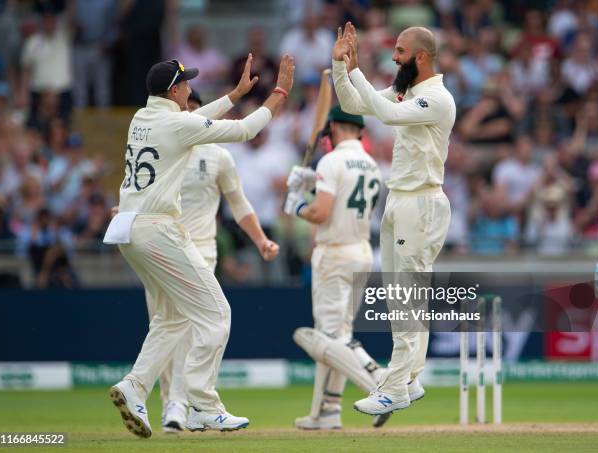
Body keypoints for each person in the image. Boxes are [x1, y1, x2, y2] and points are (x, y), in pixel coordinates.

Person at [103, 53, 294, 438]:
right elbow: (244, 132)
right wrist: (279, 94)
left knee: (173, 318)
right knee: (217, 314)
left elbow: (189, 120)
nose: (190, 87)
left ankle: (135, 386)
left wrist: (236, 93)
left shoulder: (143, 118)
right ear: (174, 90)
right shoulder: (175, 124)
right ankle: (203, 405)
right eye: (186, 83)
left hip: (128, 230)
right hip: (159, 230)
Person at [332, 23, 456, 415]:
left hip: (421, 204)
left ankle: (396, 389)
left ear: (421, 56)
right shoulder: (409, 90)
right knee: (399, 298)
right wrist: (341, 65)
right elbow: (354, 105)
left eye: (400, 51)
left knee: (408, 299)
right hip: (400, 201)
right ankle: (410, 377)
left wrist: (356, 70)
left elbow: (384, 113)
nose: (394, 57)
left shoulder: (437, 98)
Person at [153, 91, 279, 432]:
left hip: (201, 252)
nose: (191, 116)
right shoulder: (164, 150)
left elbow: (239, 205)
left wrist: (261, 240)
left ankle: (185, 405)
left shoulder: (220, 156)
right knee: (166, 328)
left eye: (195, 110)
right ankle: (173, 406)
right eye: (185, 110)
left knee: (198, 329)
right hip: (163, 249)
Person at [284, 106, 391, 429]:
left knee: (330, 339)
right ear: (359, 130)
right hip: (361, 252)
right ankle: (327, 411)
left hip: (334, 254)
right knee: (339, 336)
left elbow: (321, 213)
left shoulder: (331, 161)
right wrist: (311, 183)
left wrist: (298, 204)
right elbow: (342, 199)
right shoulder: (372, 165)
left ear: (333, 128)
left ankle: (380, 388)